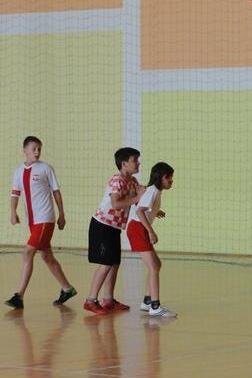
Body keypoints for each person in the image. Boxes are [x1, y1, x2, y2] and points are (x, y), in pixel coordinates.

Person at [5, 136, 76, 309]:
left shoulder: (45, 168)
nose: (37, 152)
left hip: (45, 219)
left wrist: (62, 214)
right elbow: (15, 193)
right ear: (25, 150)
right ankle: (67, 289)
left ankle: (19, 296)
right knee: (47, 257)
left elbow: (56, 192)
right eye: (34, 149)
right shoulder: (18, 171)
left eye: (39, 149)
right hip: (32, 221)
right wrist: (13, 212)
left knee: (28, 252)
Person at [84, 147, 145, 315]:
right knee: (105, 264)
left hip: (114, 228)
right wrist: (138, 197)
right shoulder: (116, 180)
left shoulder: (133, 181)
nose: (138, 163)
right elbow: (116, 204)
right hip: (102, 225)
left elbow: (140, 197)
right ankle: (90, 300)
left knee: (114, 263)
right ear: (124, 164)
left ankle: (108, 300)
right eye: (135, 160)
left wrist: (153, 206)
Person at [126, 162, 177, 318]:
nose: (171, 180)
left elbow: (144, 207)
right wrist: (151, 232)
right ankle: (155, 306)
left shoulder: (155, 191)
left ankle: (147, 302)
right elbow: (140, 212)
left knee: (156, 265)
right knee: (154, 267)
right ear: (161, 178)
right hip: (137, 229)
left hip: (139, 228)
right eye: (169, 177)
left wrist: (156, 211)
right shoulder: (152, 191)